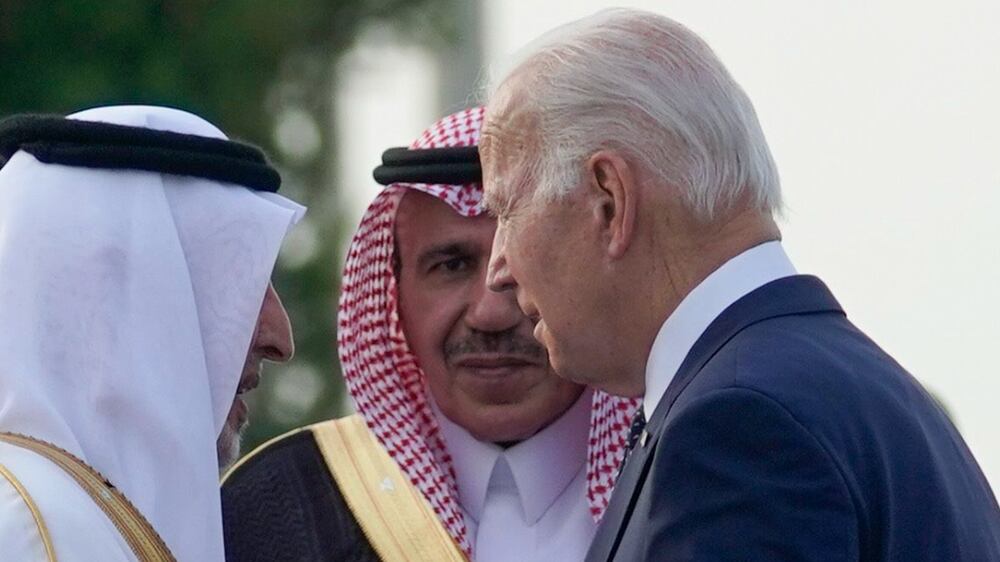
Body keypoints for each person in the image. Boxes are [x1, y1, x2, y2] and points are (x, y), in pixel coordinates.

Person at [481, 8, 1000, 562]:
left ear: (609, 202)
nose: (498, 269)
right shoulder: (853, 392)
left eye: (507, 211)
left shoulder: (737, 425)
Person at [220, 107, 639, 562]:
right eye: (452, 265)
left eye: (524, 263)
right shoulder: (282, 503)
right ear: (393, 294)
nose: (491, 313)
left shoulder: (684, 482)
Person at [0, 105, 303, 561]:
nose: (281, 338)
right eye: (239, 284)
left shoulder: (80, 516)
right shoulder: (25, 530)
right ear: (122, 291)